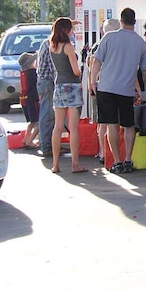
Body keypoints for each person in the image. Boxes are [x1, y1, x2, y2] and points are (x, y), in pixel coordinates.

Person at [89, 8, 146, 174]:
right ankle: (128, 159)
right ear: (135, 21)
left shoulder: (109, 37)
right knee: (129, 125)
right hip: (126, 90)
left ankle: (117, 161)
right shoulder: (140, 43)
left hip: (106, 87)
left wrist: (92, 82)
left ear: (121, 20)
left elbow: (96, 61)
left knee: (112, 125)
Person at [49, 17, 86, 174]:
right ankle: (75, 164)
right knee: (73, 127)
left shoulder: (52, 46)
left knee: (58, 127)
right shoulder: (68, 47)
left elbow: (56, 26)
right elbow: (76, 71)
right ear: (66, 31)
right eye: (71, 29)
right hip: (72, 86)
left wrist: (71, 22)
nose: (73, 31)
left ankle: (55, 164)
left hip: (59, 86)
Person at [87, 18, 119, 164]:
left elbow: (91, 65)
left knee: (104, 122)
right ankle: (104, 152)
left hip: (101, 87)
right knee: (109, 123)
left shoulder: (98, 45)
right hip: (111, 86)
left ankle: (103, 152)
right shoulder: (116, 45)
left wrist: (92, 84)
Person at [35, 35, 56, 158]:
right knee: (48, 115)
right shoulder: (51, 45)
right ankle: (47, 146)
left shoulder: (46, 43)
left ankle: (47, 145)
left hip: (44, 82)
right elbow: (54, 70)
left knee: (47, 114)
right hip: (48, 82)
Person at [18, 52, 40, 149]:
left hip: (25, 100)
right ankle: (30, 141)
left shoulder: (24, 73)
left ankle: (26, 140)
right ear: (29, 64)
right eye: (33, 62)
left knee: (31, 122)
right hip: (33, 101)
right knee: (38, 123)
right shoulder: (32, 73)